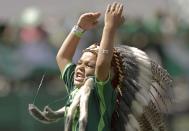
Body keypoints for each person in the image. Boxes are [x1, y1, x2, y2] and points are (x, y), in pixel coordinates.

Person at [29, 2, 173, 131]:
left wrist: (109, 27)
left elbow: (102, 63)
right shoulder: (75, 87)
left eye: (89, 65)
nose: (80, 67)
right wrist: (79, 28)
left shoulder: (100, 91)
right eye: (79, 63)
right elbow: (63, 57)